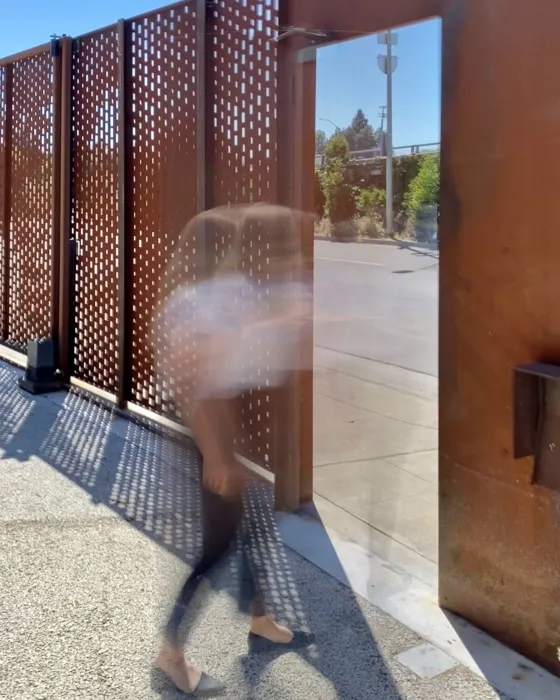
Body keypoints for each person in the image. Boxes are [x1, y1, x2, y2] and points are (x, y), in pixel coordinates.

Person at [152, 203, 312, 696]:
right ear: (219, 250)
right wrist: (216, 454)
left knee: (252, 528)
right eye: (235, 242)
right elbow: (189, 384)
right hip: (207, 431)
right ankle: (170, 650)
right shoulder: (190, 305)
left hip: (226, 422)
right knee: (218, 544)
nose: (244, 249)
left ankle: (260, 617)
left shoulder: (219, 293)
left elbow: (259, 322)